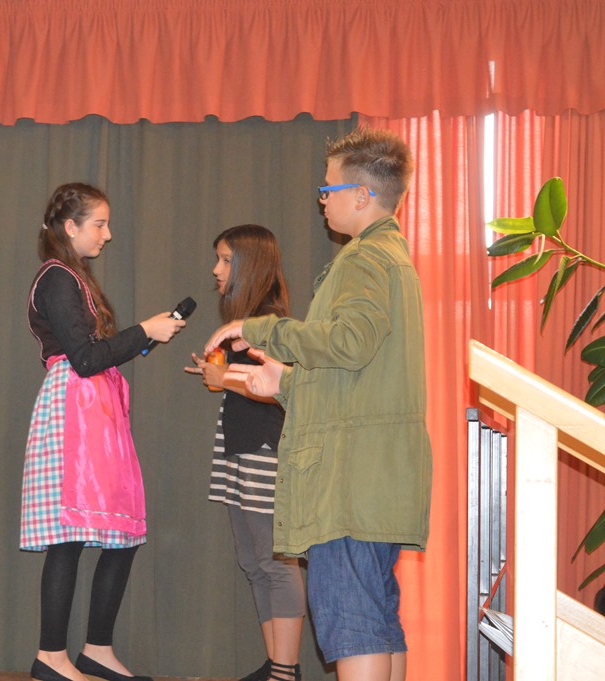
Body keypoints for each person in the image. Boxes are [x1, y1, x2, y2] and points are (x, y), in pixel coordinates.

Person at [204, 128, 432, 681]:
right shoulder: (391, 256)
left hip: (350, 481)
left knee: (353, 623)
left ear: (362, 195)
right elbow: (358, 375)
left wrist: (261, 328)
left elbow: (349, 343)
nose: (321, 199)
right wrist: (284, 383)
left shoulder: (364, 259)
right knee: (377, 620)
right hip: (374, 475)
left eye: (328, 189)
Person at [21, 183, 186, 681]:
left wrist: (144, 338)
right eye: (99, 224)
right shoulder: (56, 277)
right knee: (69, 536)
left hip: (97, 407)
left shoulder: (73, 276)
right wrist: (144, 332)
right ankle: (51, 657)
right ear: (70, 227)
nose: (107, 234)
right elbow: (85, 358)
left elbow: (97, 354)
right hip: (74, 407)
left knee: (123, 529)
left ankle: (97, 648)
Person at [185, 225, 305, 681]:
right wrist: (221, 374)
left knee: (276, 563)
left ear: (249, 266)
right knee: (254, 564)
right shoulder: (246, 321)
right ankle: (277, 665)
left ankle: (285, 670)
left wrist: (225, 379)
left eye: (225, 260)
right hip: (240, 447)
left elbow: (282, 391)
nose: (216, 270)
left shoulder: (269, 323)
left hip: (264, 450)